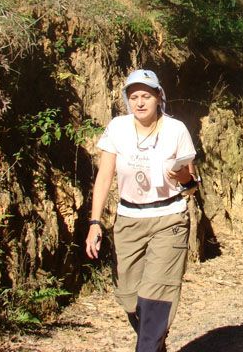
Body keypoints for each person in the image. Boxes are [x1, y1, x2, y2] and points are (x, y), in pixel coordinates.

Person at [85, 69, 198, 352]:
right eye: (133, 96)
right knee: (130, 297)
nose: (139, 102)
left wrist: (182, 177)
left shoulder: (176, 130)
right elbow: (104, 177)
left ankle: (147, 345)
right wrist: (95, 222)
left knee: (156, 294)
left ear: (159, 97)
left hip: (168, 218)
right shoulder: (118, 128)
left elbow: (192, 186)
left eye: (146, 95)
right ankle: (155, 342)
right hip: (128, 219)